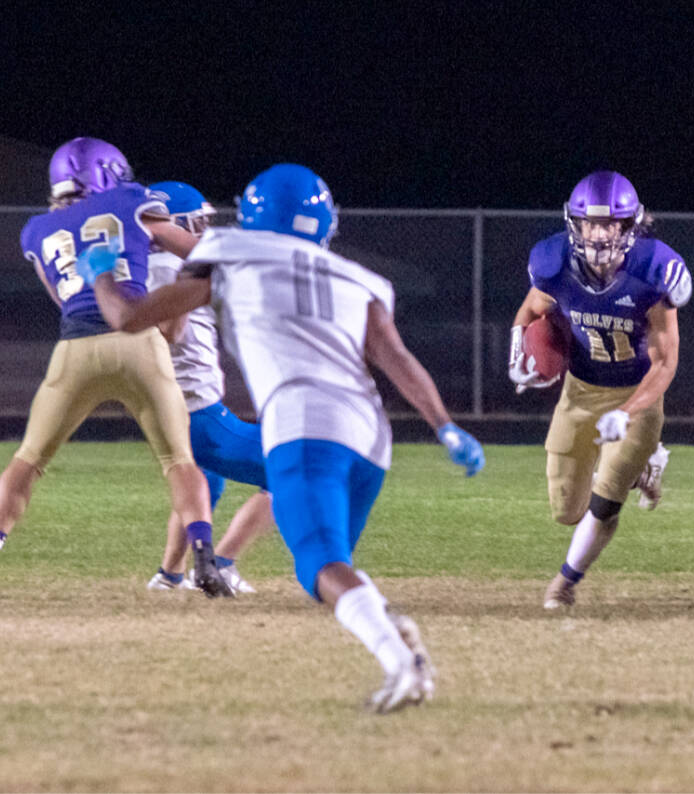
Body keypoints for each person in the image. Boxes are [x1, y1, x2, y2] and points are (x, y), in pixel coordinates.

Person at [81, 163, 485, 712]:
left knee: (320, 565)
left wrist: (103, 271)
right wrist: (445, 426)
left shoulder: (231, 252)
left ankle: (401, 662)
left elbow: (130, 317)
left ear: (253, 214)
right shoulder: (357, 276)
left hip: (305, 425)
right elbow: (396, 358)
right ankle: (388, 625)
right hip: (371, 439)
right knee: (329, 571)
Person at [0, 138, 230, 596]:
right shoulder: (130, 200)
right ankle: (204, 558)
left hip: (76, 347)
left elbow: (62, 298)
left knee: (28, 460)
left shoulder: (37, 229)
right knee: (179, 460)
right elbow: (200, 253)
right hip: (138, 342)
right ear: (108, 173)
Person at [508, 170, 690, 609]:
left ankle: (564, 585)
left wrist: (627, 412)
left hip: (638, 394)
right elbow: (530, 311)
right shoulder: (553, 263)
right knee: (565, 510)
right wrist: (519, 354)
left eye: (610, 224)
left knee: (605, 501)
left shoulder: (654, 271)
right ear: (575, 223)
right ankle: (640, 468)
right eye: (590, 223)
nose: (599, 234)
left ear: (630, 226)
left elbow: (666, 363)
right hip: (580, 390)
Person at [143, 181, 272, 594]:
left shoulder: (152, 266)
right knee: (295, 465)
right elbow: (172, 332)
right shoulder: (168, 267)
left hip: (177, 407)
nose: (203, 231)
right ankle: (223, 564)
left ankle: (169, 575)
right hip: (197, 412)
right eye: (196, 222)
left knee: (204, 481)